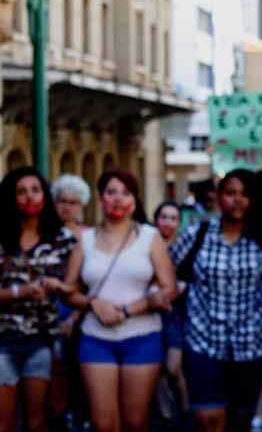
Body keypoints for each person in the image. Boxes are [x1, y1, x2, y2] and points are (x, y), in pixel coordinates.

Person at [62, 169, 176, 432]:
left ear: (134, 201)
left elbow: (169, 288)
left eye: (125, 193)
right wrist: (93, 304)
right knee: (103, 423)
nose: (118, 199)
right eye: (111, 192)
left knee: (135, 422)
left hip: (143, 337)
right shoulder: (86, 239)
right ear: (100, 198)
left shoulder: (150, 237)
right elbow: (69, 292)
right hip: (96, 338)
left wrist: (129, 310)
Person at [169, 169, 262, 432]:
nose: (237, 200)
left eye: (244, 194)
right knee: (208, 420)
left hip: (252, 343)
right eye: (230, 193)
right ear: (219, 197)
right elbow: (166, 271)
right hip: (203, 341)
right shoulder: (197, 233)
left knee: (240, 421)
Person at [0, 167, 76, 432]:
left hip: (43, 340)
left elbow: (79, 289)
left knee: (39, 420)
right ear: (10, 198)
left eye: (35, 190)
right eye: (21, 192)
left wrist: (61, 288)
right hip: (3, 340)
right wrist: (20, 292)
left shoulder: (63, 240)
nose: (30, 197)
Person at [49, 174, 92, 430]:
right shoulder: (46, 236)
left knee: (80, 368)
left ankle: (81, 415)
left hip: (82, 309)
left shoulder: (89, 236)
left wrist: (75, 315)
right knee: (54, 369)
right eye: (62, 201)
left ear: (82, 205)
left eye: (73, 202)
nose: (66, 207)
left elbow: (91, 281)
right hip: (49, 308)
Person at [151, 201, 190, 424]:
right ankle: (165, 415)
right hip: (150, 312)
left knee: (174, 368)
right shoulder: (147, 244)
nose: (168, 222)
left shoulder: (183, 246)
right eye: (164, 217)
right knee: (155, 368)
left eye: (173, 218)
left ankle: (186, 411)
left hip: (176, 314)